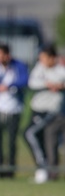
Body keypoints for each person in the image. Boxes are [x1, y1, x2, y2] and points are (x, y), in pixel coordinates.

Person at [23, 45, 65, 183]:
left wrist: (60, 85)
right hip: (37, 109)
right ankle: (44, 168)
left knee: (30, 133)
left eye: (44, 58)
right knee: (39, 137)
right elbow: (32, 83)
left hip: (51, 111)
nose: (41, 61)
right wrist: (48, 84)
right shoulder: (39, 68)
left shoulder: (61, 71)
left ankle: (43, 167)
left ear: (52, 58)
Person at [0, 44, 29, 178]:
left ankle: (10, 171)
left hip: (14, 108)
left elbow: (24, 80)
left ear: (7, 55)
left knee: (11, 140)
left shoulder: (18, 66)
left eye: (1, 55)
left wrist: (10, 86)